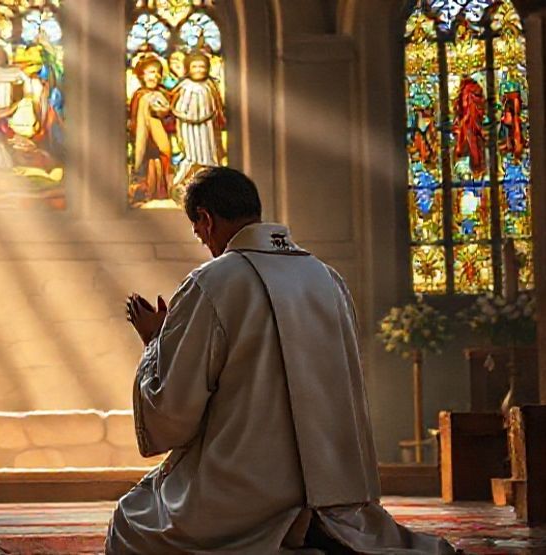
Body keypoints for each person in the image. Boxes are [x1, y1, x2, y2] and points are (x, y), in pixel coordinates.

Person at [108, 167, 456, 554]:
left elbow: (173, 407)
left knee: (131, 522)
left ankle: (282, 532)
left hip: (244, 496)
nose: (205, 244)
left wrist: (155, 340)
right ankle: (314, 525)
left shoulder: (212, 282)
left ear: (205, 219)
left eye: (199, 232)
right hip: (335, 494)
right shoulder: (327, 278)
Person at [171, 50, 226, 187]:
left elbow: (217, 106)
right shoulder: (184, 86)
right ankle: (185, 179)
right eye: (194, 66)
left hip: (207, 126)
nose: (198, 70)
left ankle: (210, 177)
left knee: (207, 151)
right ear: (188, 69)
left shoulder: (209, 85)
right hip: (187, 127)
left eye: (202, 66)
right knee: (191, 154)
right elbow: (176, 106)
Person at [129, 55, 175, 201]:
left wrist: (164, 113)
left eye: (156, 72)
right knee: (149, 162)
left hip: (161, 133)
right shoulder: (139, 95)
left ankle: (161, 191)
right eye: (150, 72)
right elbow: (135, 118)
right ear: (142, 75)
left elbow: (170, 115)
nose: (154, 76)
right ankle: (147, 190)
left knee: (163, 158)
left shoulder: (163, 94)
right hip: (146, 137)